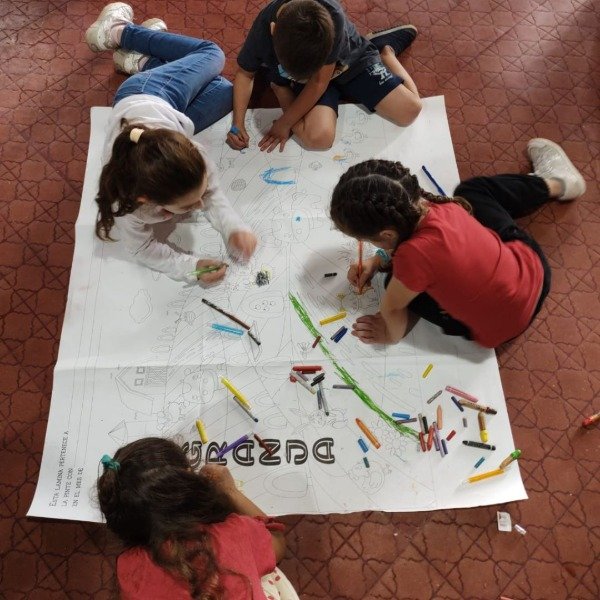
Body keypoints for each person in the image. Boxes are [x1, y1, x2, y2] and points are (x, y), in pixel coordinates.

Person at [329, 138, 586, 348]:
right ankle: (557, 184)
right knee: (473, 192)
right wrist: (378, 259)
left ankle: (557, 182)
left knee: (393, 284)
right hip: (534, 271)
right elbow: (418, 248)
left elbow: (392, 308)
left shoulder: (411, 258)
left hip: (503, 327)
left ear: (386, 235)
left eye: (366, 240)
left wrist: (389, 334)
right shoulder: (443, 206)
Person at [85, 3, 257, 283]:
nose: (201, 204)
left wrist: (233, 228)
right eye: (188, 206)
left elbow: (211, 192)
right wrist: (191, 266)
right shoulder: (128, 203)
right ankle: (119, 33)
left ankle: (140, 54)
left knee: (221, 77)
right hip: (153, 100)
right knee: (214, 61)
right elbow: (140, 248)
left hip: (156, 101)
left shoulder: (193, 156)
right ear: (146, 201)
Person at [97, 437, 299, 600]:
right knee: (269, 576)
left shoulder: (127, 566)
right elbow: (277, 542)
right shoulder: (236, 533)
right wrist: (230, 491)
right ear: (190, 484)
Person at [227, 0, 422, 153]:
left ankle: (386, 51)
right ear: (273, 29)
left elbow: (319, 81)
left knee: (411, 110)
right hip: (312, 77)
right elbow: (245, 74)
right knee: (318, 139)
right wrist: (237, 124)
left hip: (349, 61)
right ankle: (280, 87)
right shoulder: (262, 30)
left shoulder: (330, 18)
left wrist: (285, 122)